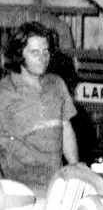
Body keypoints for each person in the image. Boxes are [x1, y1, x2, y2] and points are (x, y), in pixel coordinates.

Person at [0, 21, 79, 189]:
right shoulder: (4, 91)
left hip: (54, 185)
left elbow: (65, 128)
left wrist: (75, 169)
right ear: (19, 54)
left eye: (46, 51)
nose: (43, 58)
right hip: (18, 187)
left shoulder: (56, 84)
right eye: (35, 52)